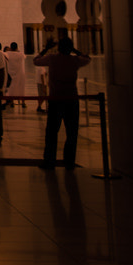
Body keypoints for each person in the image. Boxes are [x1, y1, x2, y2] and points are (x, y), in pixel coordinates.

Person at [33, 35, 91, 168]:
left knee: (52, 132)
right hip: (71, 100)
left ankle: (49, 161)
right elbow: (88, 59)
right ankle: (69, 162)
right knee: (72, 133)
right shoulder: (75, 60)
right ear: (69, 48)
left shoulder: (52, 59)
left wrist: (46, 48)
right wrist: (74, 50)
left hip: (55, 100)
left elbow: (36, 60)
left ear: (58, 48)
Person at [3, 41, 26, 109]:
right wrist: (17, 50)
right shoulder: (20, 54)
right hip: (20, 74)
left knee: (11, 88)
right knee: (21, 88)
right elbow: (24, 56)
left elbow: (3, 54)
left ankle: (12, 102)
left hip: (11, 74)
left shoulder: (7, 54)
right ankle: (23, 102)